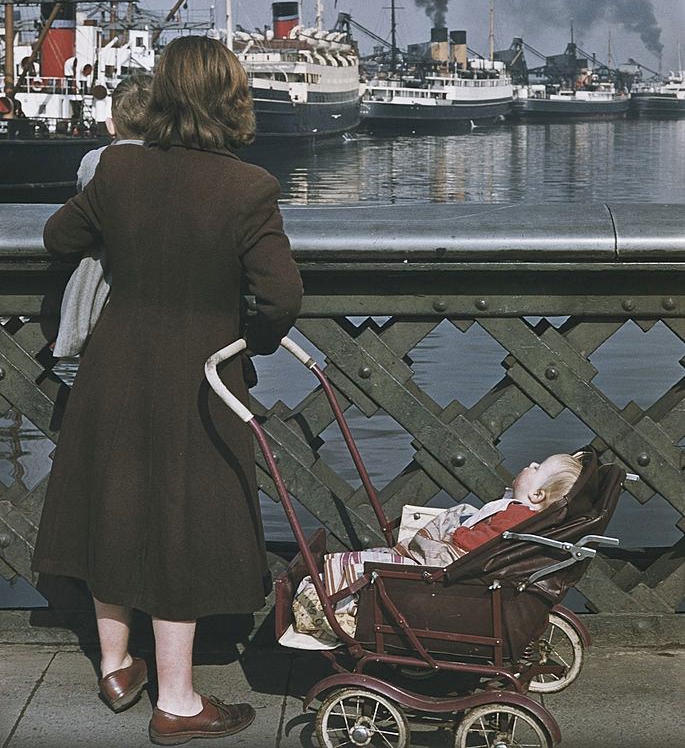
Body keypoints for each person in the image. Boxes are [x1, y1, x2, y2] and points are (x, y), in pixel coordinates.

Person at [33, 36, 303, 744]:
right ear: (231, 98)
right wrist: (247, 345)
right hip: (199, 374)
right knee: (178, 520)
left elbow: (59, 238)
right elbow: (279, 298)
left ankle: (118, 665)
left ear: (161, 95)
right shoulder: (248, 187)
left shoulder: (118, 176)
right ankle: (177, 700)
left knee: (114, 502)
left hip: (114, 367)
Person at [290, 453, 582, 644]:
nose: (529, 465)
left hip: (452, 561)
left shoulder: (516, 517)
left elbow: (472, 544)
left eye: (536, 468)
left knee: (376, 565)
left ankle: (329, 594)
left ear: (537, 494)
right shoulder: (527, 518)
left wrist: (458, 532)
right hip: (471, 565)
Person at [53, 72, 152, 358]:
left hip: (106, 297)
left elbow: (65, 230)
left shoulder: (96, 161)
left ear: (111, 124)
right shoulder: (174, 164)